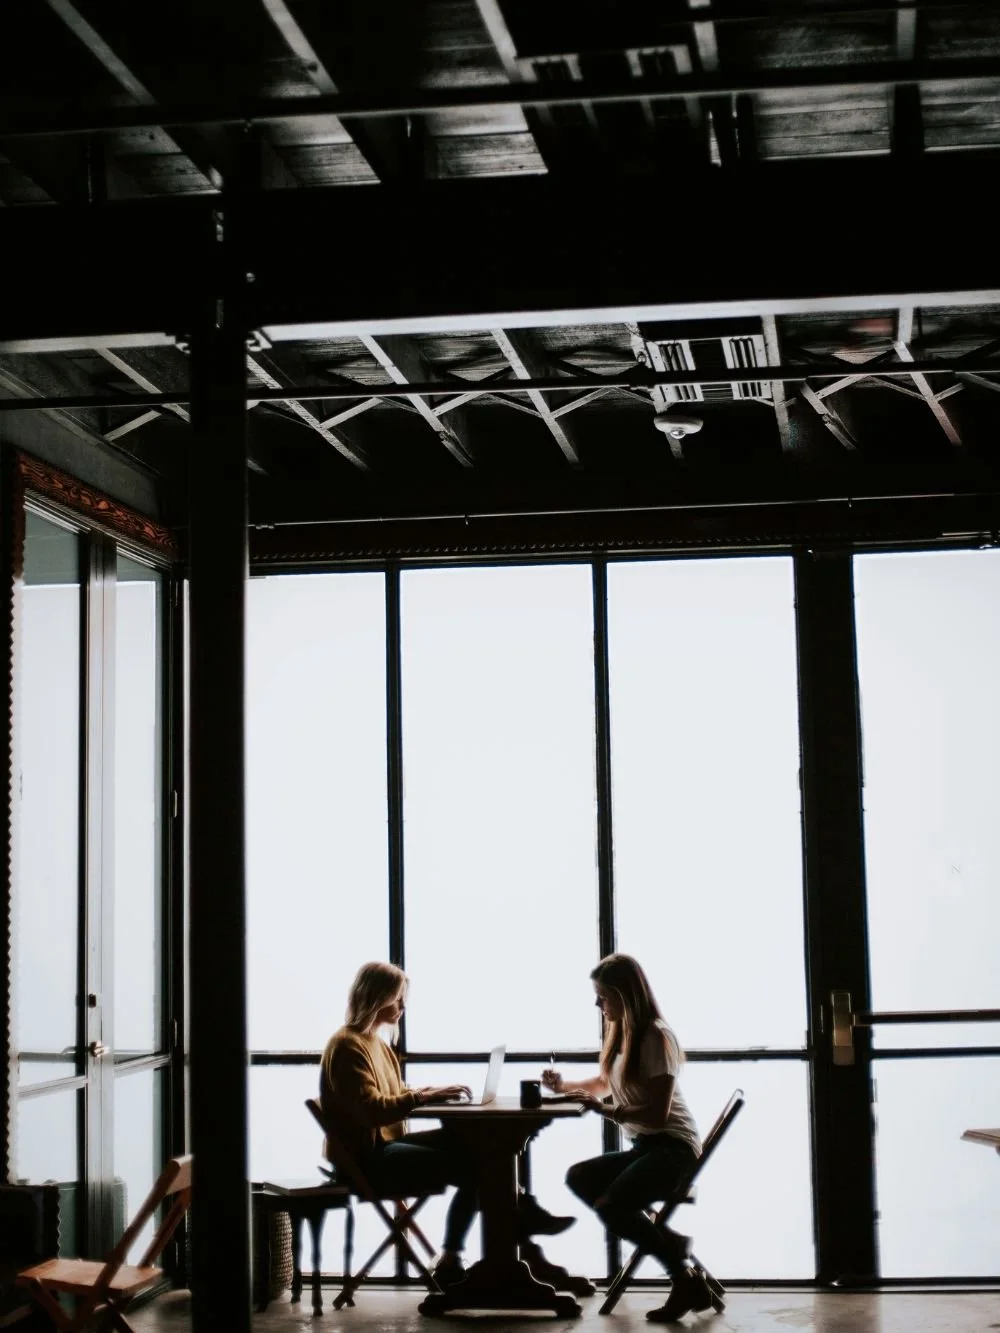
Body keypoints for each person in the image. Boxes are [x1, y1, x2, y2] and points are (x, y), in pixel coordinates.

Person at [319, 961, 572, 1288]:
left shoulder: (375, 1043)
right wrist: (423, 1098)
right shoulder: (347, 1045)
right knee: (476, 1163)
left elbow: (394, 1096)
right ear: (375, 997)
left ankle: (485, 1247)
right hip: (365, 1160)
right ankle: (516, 1231)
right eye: (397, 998)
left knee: (476, 1148)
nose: (402, 1006)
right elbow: (371, 1111)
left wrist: (430, 1093)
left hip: (382, 1148)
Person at [543, 953, 710, 1323]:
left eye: (603, 996)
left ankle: (681, 1275)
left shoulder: (656, 1037)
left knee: (610, 1206)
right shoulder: (624, 1034)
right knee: (579, 1177)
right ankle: (674, 1247)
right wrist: (564, 1087)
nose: (597, 1003)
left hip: (674, 1149)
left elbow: (657, 1113)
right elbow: (605, 1085)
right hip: (646, 1147)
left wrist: (604, 1110)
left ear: (624, 995)